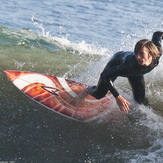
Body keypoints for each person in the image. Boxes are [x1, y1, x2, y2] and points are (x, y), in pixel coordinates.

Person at [72, 31, 163, 113]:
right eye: (136, 53)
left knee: (140, 101)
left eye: (141, 53)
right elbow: (105, 75)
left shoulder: (157, 52)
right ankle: (87, 91)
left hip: (136, 73)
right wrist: (118, 97)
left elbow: (157, 34)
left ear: (150, 53)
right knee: (99, 94)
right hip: (117, 62)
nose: (138, 57)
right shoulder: (129, 66)